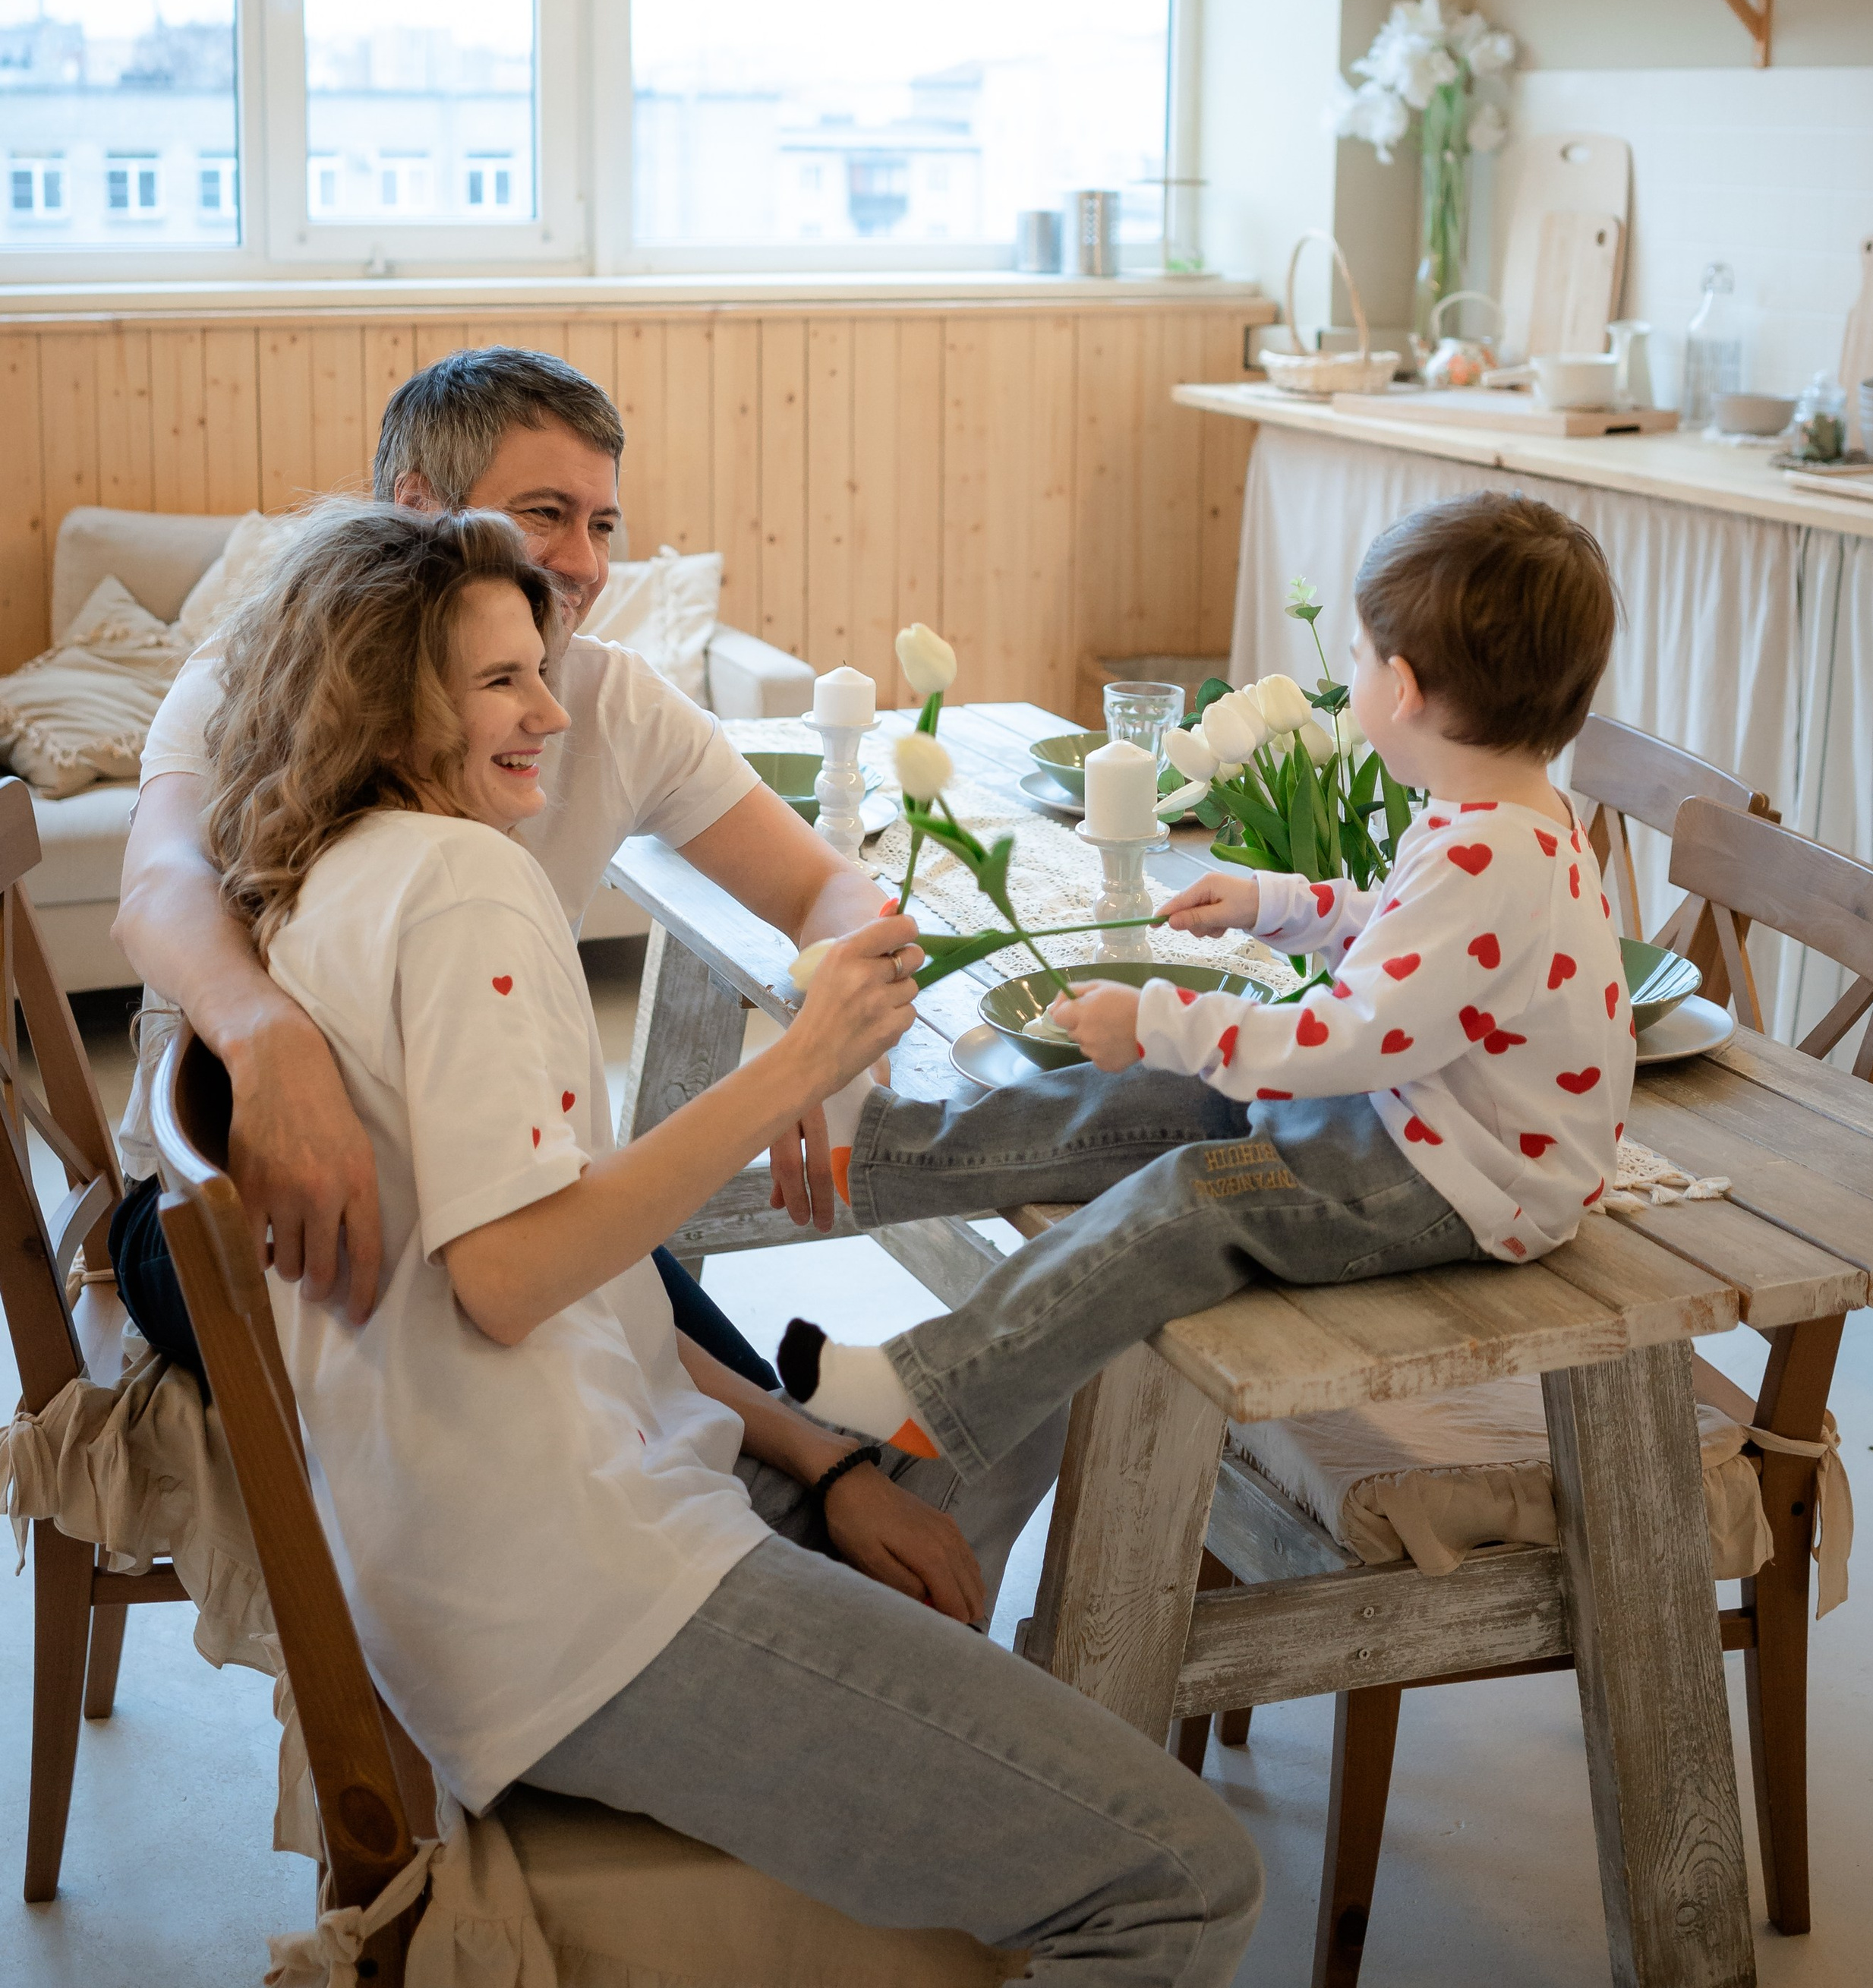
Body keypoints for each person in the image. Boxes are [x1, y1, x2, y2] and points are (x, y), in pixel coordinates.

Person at [197, 500, 1262, 1980]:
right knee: (1187, 1876)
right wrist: (797, 1066)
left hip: (524, 1545)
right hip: (576, 1603)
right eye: (498, 680)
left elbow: (550, 1298)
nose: (547, 711)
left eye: (540, 668)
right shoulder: (460, 888)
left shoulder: (323, 885)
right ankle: (1016, 1778)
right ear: (383, 701)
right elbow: (509, 1280)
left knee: (1031, 1340)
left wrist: (818, 1458)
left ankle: (984, 1743)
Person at [774, 494, 1629, 1479]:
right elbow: (1408, 933)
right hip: (1421, 1125)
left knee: (1196, 1197)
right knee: (1173, 1101)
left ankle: (938, 1389)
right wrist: (1274, 902)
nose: (1349, 676)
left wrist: (1158, 1020)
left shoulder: (1493, 852)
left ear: (1400, 688)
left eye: (1353, 655)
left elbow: (1349, 1036)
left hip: (1458, 1188)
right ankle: (882, 1157)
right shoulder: (1504, 815)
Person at [110, 346, 880, 1396]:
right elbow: (159, 890)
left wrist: (816, 1001)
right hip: (239, 1209)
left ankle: (824, 1467)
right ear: (420, 507)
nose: (586, 561)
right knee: (661, 1399)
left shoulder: (611, 698)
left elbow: (825, 885)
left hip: (487, 1191)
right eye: (545, 514)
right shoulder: (258, 677)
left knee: (752, 1428)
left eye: (602, 523)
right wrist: (267, 1037)